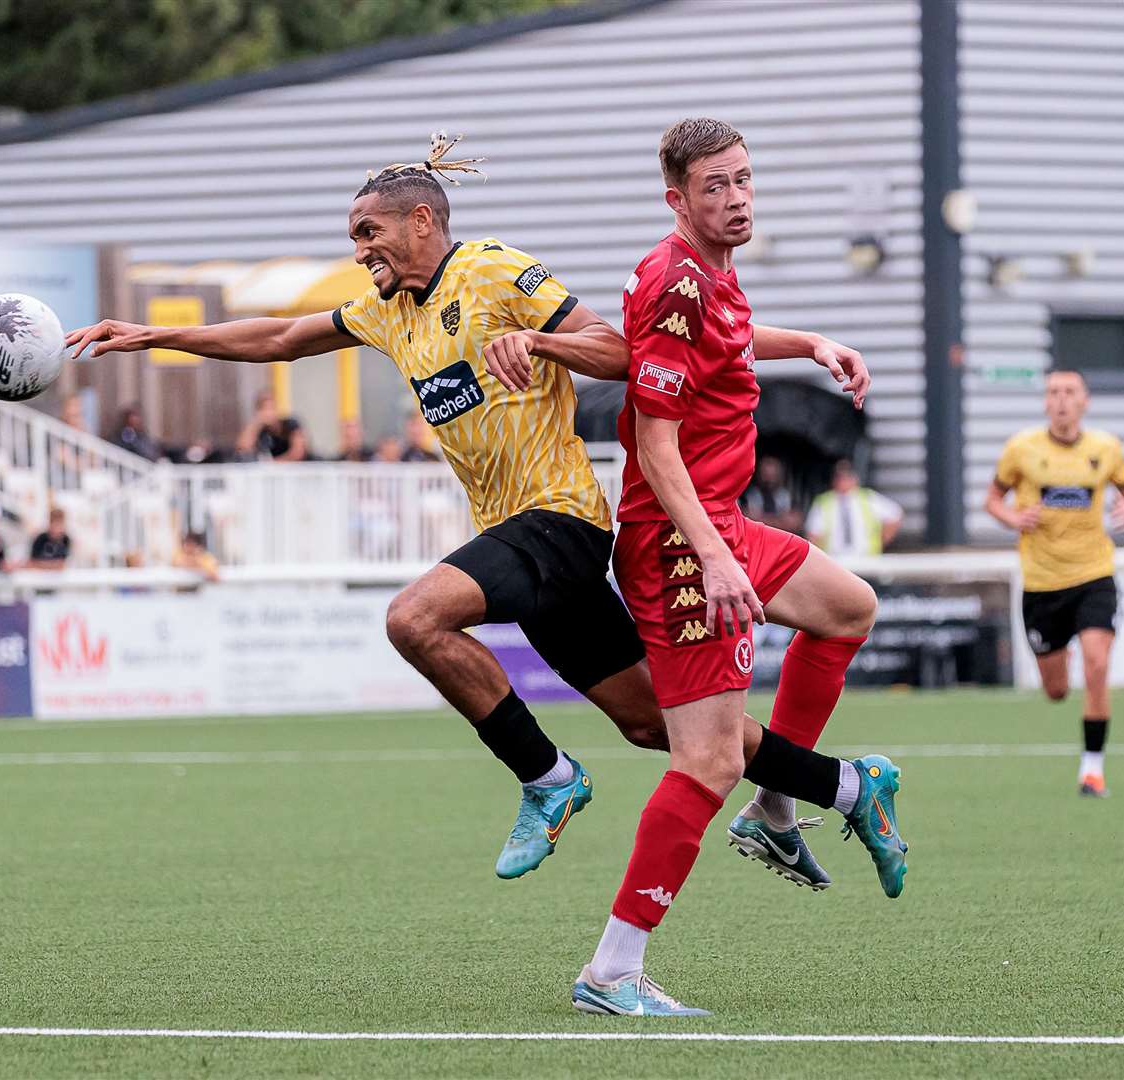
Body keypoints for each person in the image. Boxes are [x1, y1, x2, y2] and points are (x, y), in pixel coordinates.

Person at [66, 132, 864, 890]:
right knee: (661, 727)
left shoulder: (491, 272)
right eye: (353, 236)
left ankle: (548, 779)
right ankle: (850, 787)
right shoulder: (385, 309)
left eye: (368, 230)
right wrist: (154, 338)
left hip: (562, 521)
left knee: (414, 619)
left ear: (423, 222)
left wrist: (542, 344)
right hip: (521, 543)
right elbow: (279, 336)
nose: (359, 249)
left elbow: (620, 350)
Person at [571, 118, 908, 1018]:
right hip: (682, 541)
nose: (737, 199)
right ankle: (612, 969)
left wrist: (815, 345)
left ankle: (777, 805)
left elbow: (734, 338)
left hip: (716, 525)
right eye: (715, 187)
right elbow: (653, 439)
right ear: (676, 199)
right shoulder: (678, 282)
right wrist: (717, 558)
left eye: (745, 181)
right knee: (704, 758)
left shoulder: (711, 270)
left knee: (848, 607)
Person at [986, 368, 1124, 798]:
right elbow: (991, 499)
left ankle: (1092, 771)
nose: (1061, 400)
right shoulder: (1021, 449)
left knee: (1097, 664)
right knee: (1056, 690)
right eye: (1053, 392)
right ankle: (1062, 660)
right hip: (1041, 584)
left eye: (1069, 392)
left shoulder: (1105, 448)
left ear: (1084, 401)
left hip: (1094, 574)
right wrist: (1013, 518)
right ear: (1045, 403)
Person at [805, 458, 904, 557]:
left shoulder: (868, 498)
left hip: (866, 558)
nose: (843, 480)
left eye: (847, 476)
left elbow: (895, 515)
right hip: (835, 559)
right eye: (839, 477)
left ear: (855, 478)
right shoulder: (824, 502)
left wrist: (881, 541)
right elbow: (813, 535)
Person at [237, 391, 309, 461]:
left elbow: (298, 453)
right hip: (275, 470)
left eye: (271, 408)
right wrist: (256, 423)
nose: (269, 413)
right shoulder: (260, 429)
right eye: (264, 409)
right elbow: (243, 449)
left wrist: (273, 464)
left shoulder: (291, 424)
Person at [740, 455, 802, 533]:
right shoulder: (748, 495)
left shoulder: (786, 496)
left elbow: (794, 522)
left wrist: (761, 519)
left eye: (773, 474)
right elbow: (745, 519)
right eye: (766, 474)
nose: (769, 478)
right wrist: (780, 521)